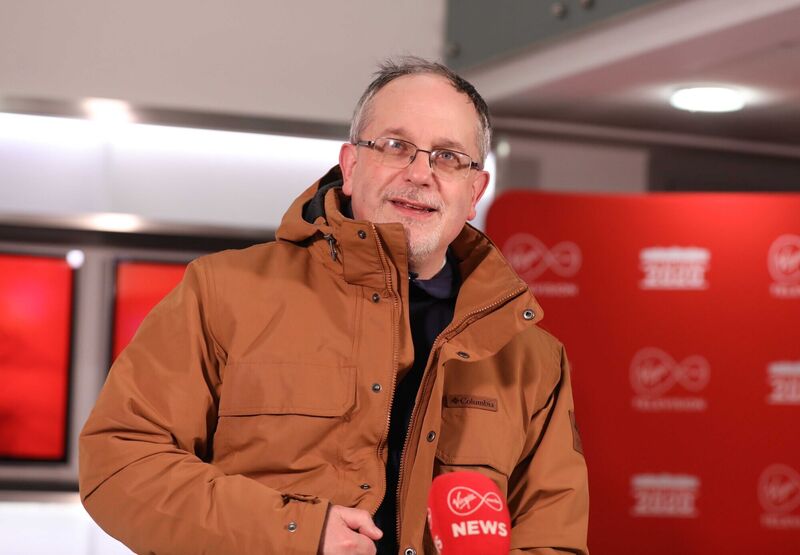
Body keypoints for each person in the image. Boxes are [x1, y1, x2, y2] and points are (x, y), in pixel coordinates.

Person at [79, 57, 589, 555]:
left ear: (475, 190)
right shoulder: (222, 293)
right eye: (396, 146)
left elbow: (552, 539)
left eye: (448, 157)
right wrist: (296, 533)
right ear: (350, 165)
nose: (420, 173)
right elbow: (119, 465)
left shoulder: (530, 358)